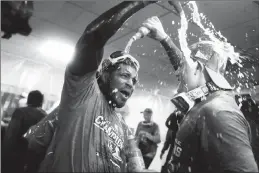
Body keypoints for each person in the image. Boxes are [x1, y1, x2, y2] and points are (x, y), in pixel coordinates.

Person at [30, 2, 169, 172]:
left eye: (134, 80)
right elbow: (92, 37)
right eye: (124, 75)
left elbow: (137, 168)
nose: (130, 84)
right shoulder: (83, 93)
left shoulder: (125, 130)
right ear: (104, 75)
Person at [138, 2, 258, 172]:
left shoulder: (218, 112)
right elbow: (187, 64)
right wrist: (164, 38)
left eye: (182, 68)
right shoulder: (206, 101)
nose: (177, 71)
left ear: (199, 68)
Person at [2, 90, 47, 173]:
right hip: (33, 156)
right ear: (41, 102)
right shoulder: (44, 115)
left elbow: (11, 134)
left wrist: (4, 153)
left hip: (17, 152)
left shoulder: (20, 112)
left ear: (29, 99)